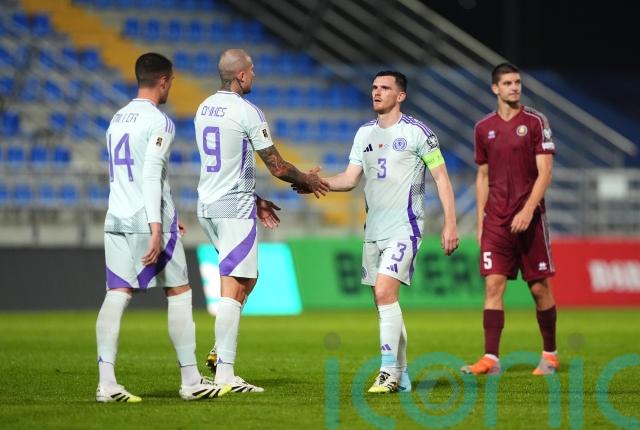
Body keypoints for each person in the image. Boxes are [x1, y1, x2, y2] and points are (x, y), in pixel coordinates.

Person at [296, 71, 459, 393]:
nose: (377, 92)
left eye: (385, 88)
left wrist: (450, 223)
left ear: (401, 96)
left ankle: (386, 372)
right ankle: (402, 373)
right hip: (373, 230)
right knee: (385, 303)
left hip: (405, 227)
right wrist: (316, 182)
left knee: (385, 293)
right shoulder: (364, 133)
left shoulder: (418, 133)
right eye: (374, 87)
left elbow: (442, 178)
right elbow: (349, 179)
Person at [96, 52, 231, 403]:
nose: (170, 86)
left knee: (116, 294)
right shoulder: (159, 122)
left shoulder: (117, 119)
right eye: (170, 81)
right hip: (148, 222)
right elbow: (150, 174)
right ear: (163, 81)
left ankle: (106, 383)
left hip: (116, 219)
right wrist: (157, 227)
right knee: (179, 292)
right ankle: (191, 380)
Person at [194, 48, 329, 393]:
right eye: (251, 69)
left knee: (247, 281)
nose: (254, 74)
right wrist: (308, 180)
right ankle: (225, 373)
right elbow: (278, 167)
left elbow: (225, 165)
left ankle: (220, 350)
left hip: (208, 205)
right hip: (233, 209)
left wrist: (255, 200)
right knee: (234, 286)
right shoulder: (247, 111)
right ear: (241, 75)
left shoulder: (204, 107)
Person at [461, 62, 558, 376]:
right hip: (496, 221)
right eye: (508, 83)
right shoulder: (483, 128)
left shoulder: (535, 122)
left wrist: (528, 210)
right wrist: (481, 222)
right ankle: (491, 359)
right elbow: (482, 175)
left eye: (517, 82)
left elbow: (545, 172)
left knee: (539, 289)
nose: (514, 87)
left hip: (531, 219)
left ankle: (550, 354)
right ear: (495, 88)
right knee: (493, 286)